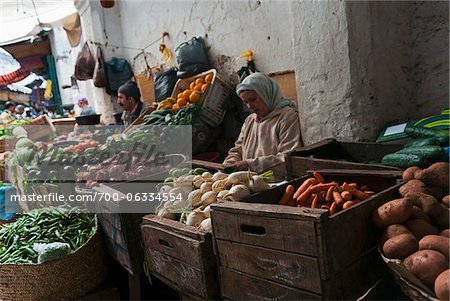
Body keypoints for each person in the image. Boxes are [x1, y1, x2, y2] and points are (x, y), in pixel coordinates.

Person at [222, 72, 303, 179]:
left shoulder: (286, 117)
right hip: (249, 183)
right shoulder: (249, 121)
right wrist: (228, 165)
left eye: (253, 99)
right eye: (246, 102)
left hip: (277, 182)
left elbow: (288, 158)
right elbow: (238, 150)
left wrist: (250, 165)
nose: (250, 106)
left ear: (266, 93)